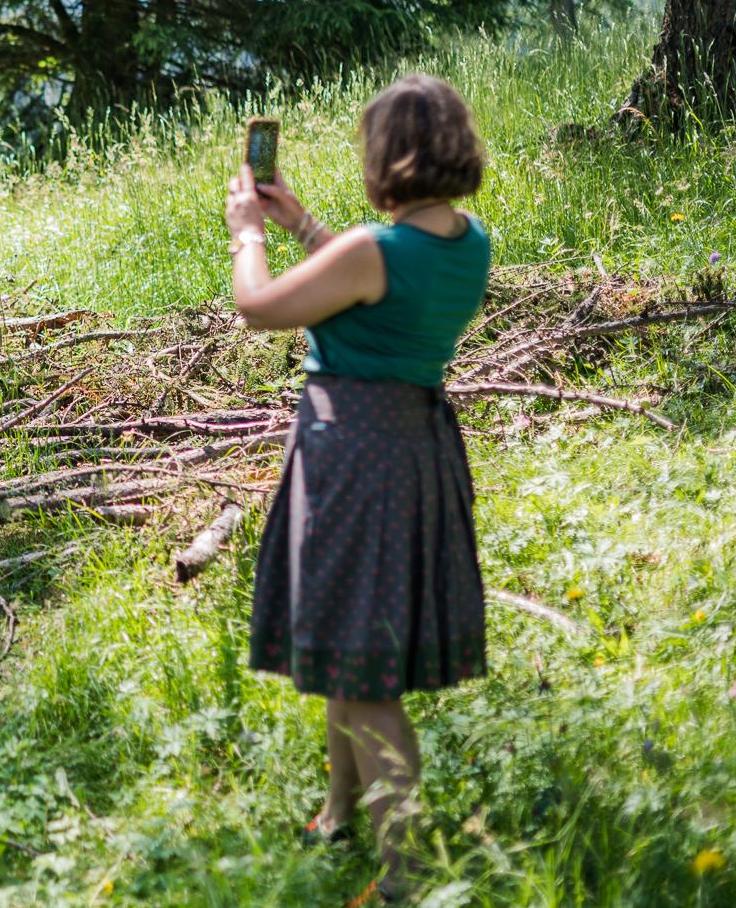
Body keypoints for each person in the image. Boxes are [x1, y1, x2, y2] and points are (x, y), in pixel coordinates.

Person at [222, 74, 492, 903]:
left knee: (368, 681)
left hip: (354, 459)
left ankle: (410, 872)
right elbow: (371, 286)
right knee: (353, 639)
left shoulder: (376, 250)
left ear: (388, 155)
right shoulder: (466, 239)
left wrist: (247, 234)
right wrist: (300, 220)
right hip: (414, 447)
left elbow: (260, 307)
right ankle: (339, 808)